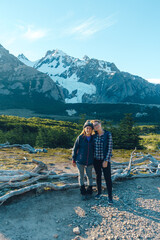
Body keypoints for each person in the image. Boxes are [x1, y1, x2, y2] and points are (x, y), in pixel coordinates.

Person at [92, 120, 113, 205]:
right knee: (98, 176)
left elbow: (110, 148)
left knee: (107, 178)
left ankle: (110, 197)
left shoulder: (107, 134)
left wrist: (106, 160)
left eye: (97, 125)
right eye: (94, 126)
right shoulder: (94, 135)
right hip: (96, 160)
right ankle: (99, 192)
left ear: (100, 124)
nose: (96, 127)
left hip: (104, 160)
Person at [72, 120, 94, 200]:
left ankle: (90, 189)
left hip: (90, 161)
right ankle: (82, 190)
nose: (88, 130)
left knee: (89, 176)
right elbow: (75, 149)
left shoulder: (93, 138)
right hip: (80, 161)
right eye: (86, 128)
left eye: (90, 128)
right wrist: (73, 159)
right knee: (81, 176)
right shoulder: (80, 138)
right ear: (84, 129)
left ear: (92, 129)